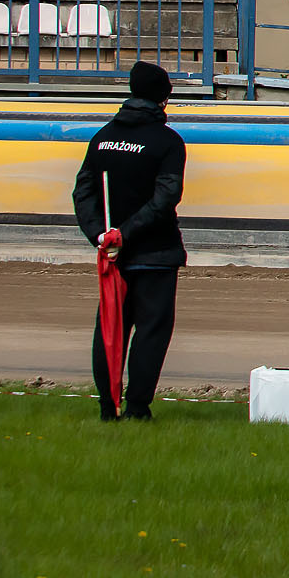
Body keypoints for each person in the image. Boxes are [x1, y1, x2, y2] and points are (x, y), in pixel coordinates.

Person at [71, 62, 187, 421]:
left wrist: (101, 235)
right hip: (155, 252)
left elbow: (83, 191)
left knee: (109, 329)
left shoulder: (102, 137)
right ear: (164, 98)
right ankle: (137, 407)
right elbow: (166, 196)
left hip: (113, 254)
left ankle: (108, 408)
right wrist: (128, 232)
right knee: (151, 331)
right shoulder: (168, 142)